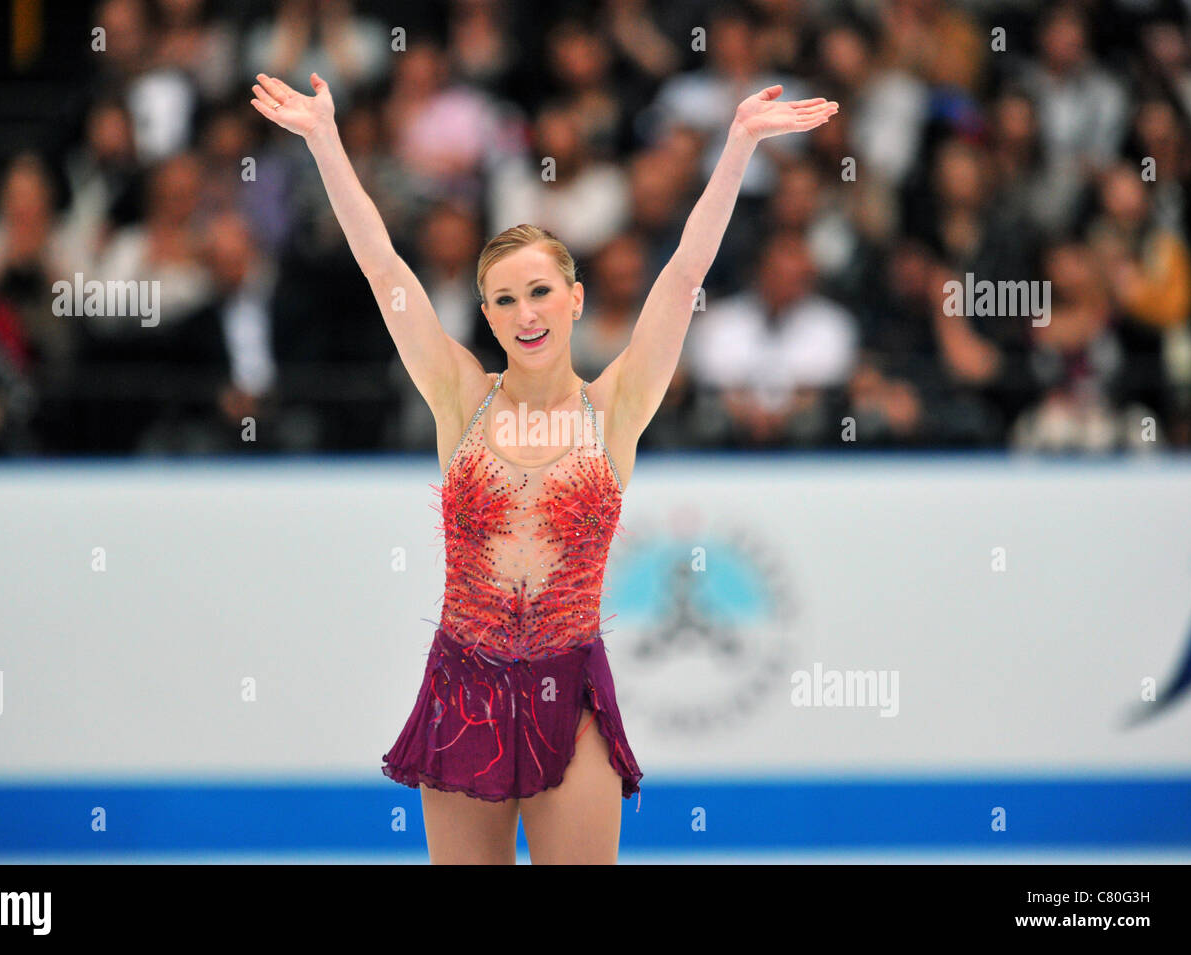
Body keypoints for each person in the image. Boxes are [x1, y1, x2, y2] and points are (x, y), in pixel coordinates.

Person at [250, 70, 837, 864]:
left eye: (540, 292)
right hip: (464, 688)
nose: (525, 313)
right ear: (485, 313)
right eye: (504, 299)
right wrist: (325, 139)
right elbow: (386, 271)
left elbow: (684, 275)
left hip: (572, 695)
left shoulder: (617, 406)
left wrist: (735, 147)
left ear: (575, 299)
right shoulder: (459, 397)